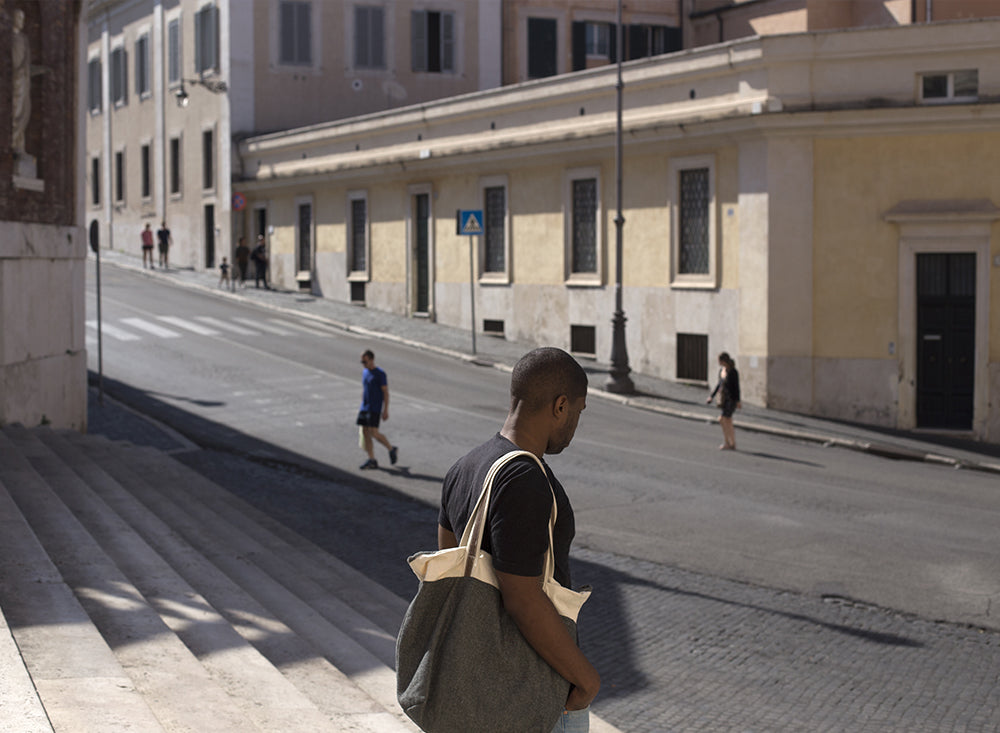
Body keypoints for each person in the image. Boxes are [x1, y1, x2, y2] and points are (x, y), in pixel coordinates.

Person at [438, 347, 600, 731]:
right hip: (533, 692)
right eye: (578, 411)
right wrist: (587, 680)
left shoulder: (464, 467)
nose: (575, 423)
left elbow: (448, 563)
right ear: (560, 406)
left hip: (477, 685)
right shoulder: (525, 478)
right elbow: (523, 598)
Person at [356, 349, 398, 469]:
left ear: (372, 360)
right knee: (365, 432)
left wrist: (385, 410)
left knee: (374, 433)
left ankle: (391, 449)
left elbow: (385, 392)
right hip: (364, 407)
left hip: (375, 408)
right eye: (362, 362)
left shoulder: (380, 374)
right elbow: (365, 388)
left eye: (365, 361)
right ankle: (371, 459)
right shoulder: (365, 372)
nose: (363, 364)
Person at [707, 351, 741, 450]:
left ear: (723, 361)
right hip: (724, 399)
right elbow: (719, 385)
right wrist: (711, 396)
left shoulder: (733, 372)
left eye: (719, 360)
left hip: (731, 400)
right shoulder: (722, 370)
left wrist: (738, 401)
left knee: (722, 419)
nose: (718, 362)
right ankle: (732, 443)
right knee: (728, 421)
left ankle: (727, 442)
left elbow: (736, 387)